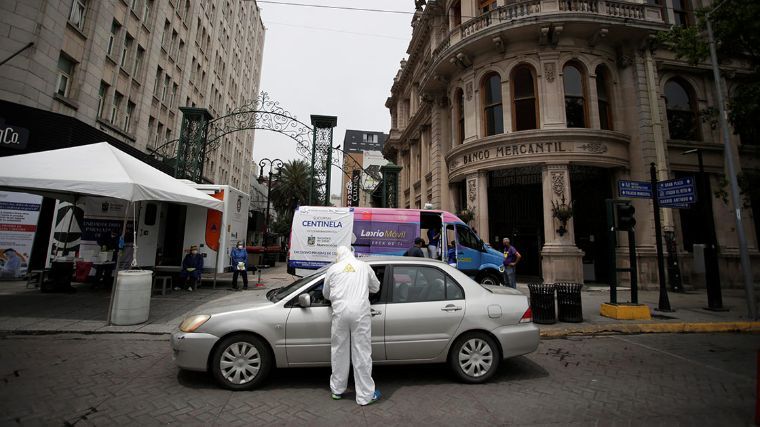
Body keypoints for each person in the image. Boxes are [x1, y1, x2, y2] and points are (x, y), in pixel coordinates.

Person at [322, 246, 381, 406]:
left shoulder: (333, 269)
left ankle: (337, 390)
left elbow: (325, 294)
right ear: (352, 253)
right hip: (360, 314)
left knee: (339, 351)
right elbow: (376, 287)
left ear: (339, 255)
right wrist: (361, 286)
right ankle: (365, 396)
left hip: (339, 313)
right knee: (361, 352)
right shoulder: (364, 266)